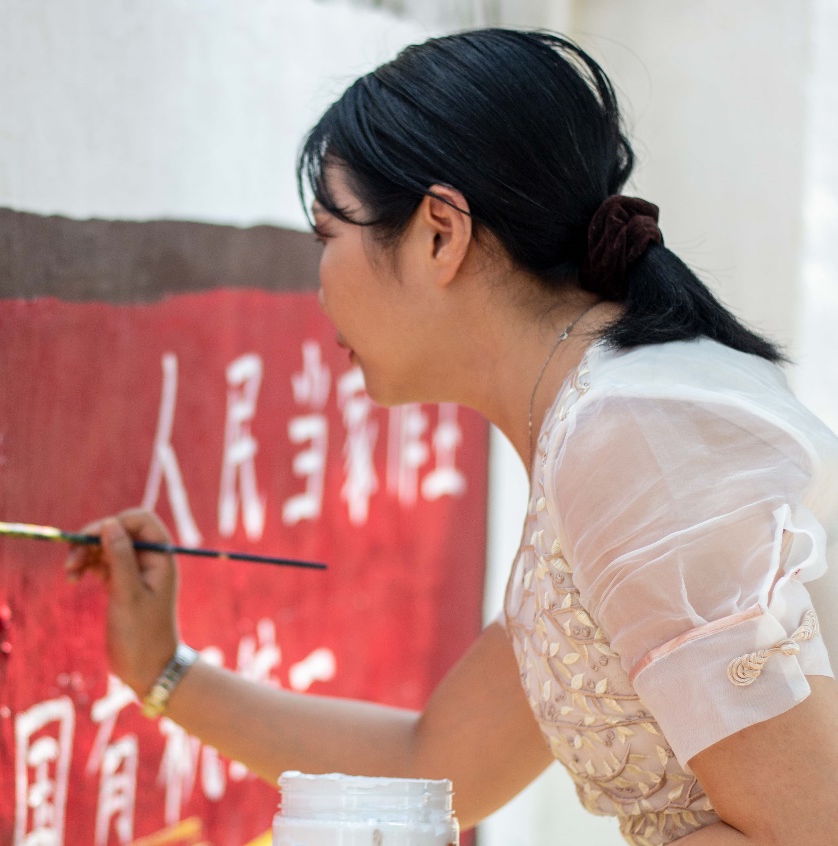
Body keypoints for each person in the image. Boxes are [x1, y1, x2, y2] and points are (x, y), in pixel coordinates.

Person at [64, 29, 838, 845]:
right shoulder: (595, 421)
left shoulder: (630, 432)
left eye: (328, 236)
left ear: (440, 231)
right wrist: (162, 671)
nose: (319, 285)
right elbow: (435, 769)